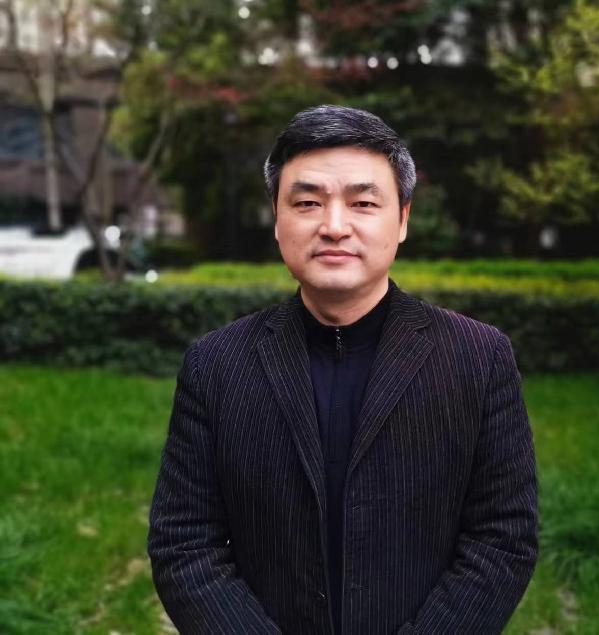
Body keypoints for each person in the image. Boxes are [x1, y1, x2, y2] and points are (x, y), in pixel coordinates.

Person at [148, 105, 538, 635]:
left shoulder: (478, 358)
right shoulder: (217, 365)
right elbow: (185, 543)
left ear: (402, 220)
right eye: (308, 202)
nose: (334, 226)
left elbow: (502, 538)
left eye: (363, 203)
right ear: (277, 219)